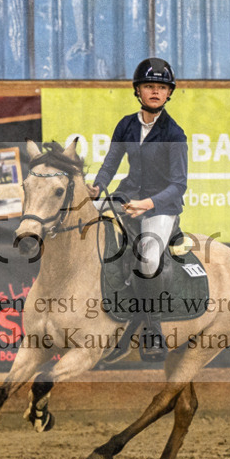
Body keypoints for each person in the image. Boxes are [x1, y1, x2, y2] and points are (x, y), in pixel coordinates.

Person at [87, 57, 188, 361]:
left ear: (169, 93)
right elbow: (110, 163)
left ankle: (153, 329)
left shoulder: (175, 133)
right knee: (87, 223)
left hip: (160, 206)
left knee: (147, 257)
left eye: (161, 87)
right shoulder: (127, 124)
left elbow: (178, 185)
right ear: (138, 91)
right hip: (127, 196)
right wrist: (96, 187)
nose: (155, 92)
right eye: (149, 86)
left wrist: (148, 203)